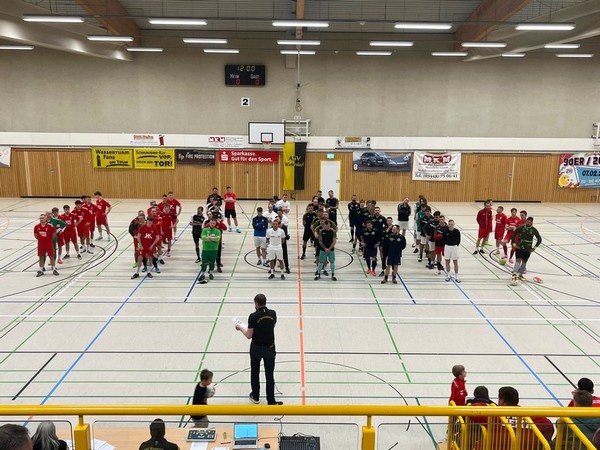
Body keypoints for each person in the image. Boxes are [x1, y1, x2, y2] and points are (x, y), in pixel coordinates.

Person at [235, 293, 283, 405]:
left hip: (256, 348)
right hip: (270, 348)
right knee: (269, 375)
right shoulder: (273, 313)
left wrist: (240, 328)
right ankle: (271, 400)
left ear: (256, 303)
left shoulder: (253, 316)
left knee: (255, 372)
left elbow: (249, 335)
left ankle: (255, 396)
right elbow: (271, 326)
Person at [510, 217, 542, 285]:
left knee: (524, 262)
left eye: (529, 222)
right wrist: (514, 243)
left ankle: (520, 275)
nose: (528, 223)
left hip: (528, 249)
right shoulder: (521, 227)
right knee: (518, 260)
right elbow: (513, 234)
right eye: (527, 221)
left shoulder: (534, 230)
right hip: (519, 247)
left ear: (532, 223)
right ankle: (514, 274)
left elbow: (539, 239)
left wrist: (534, 248)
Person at [197, 219, 221, 284]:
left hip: (214, 249)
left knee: (212, 262)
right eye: (211, 223)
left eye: (213, 223)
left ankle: (211, 273)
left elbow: (218, 238)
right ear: (209, 223)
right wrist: (213, 239)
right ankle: (202, 274)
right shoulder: (205, 230)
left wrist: (208, 238)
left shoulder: (217, 231)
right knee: (204, 262)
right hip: (205, 249)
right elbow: (203, 237)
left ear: (215, 224)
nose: (212, 224)